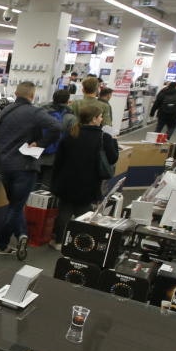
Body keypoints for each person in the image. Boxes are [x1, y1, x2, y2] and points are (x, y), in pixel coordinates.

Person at [0, 81, 61, 257]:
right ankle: (1, 243)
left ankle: (22, 234)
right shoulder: (35, 112)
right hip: (25, 165)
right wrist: (40, 144)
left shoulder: (6, 110)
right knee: (16, 206)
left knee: (15, 204)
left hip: (4, 164)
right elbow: (56, 127)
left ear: (16, 93)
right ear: (32, 95)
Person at [49, 104, 119, 249]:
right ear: (94, 119)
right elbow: (113, 158)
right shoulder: (103, 137)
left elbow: (59, 160)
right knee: (84, 213)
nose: (101, 119)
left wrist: (55, 182)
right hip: (89, 182)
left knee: (64, 212)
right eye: (100, 117)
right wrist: (113, 139)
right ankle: (79, 243)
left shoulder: (71, 134)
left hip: (66, 181)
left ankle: (59, 241)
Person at [37, 89, 76, 187]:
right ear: (68, 101)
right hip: (54, 158)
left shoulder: (40, 111)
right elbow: (71, 140)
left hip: (36, 154)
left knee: (33, 185)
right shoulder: (70, 118)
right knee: (46, 187)